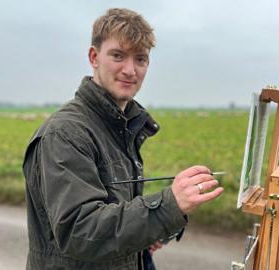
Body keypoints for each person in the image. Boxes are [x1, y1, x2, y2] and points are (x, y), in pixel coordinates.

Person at [22, 8, 224, 270]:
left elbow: (114, 217)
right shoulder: (66, 133)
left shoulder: (121, 127)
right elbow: (80, 231)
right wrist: (166, 206)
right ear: (94, 57)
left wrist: (150, 231)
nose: (130, 70)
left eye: (140, 59)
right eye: (118, 56)